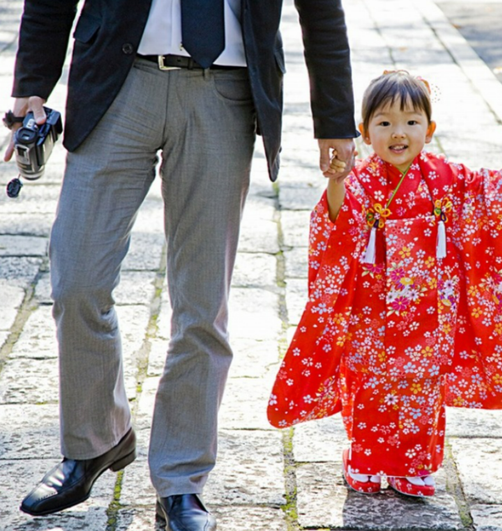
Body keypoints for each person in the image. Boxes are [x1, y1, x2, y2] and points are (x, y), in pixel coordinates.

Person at [4, 0, 358, 529]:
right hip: (116, 81)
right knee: (76, 278)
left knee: (200, 301)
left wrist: (335, 119)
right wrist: (32, 82)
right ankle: (96, 441)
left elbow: (321, 10)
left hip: (225, 91)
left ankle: (180, 481)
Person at [267, 71, 502, 497]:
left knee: (422, 386)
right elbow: (335, 221)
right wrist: (336, 180)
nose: (398, 133)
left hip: (430, 308)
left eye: (411, 122)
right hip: (372, 308)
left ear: (429, 129)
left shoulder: (445, 177)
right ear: (364, 133)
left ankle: (414, 464)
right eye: (384, 123)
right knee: (371, 382)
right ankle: (364, 456)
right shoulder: (361, 180)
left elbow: (487, 191)